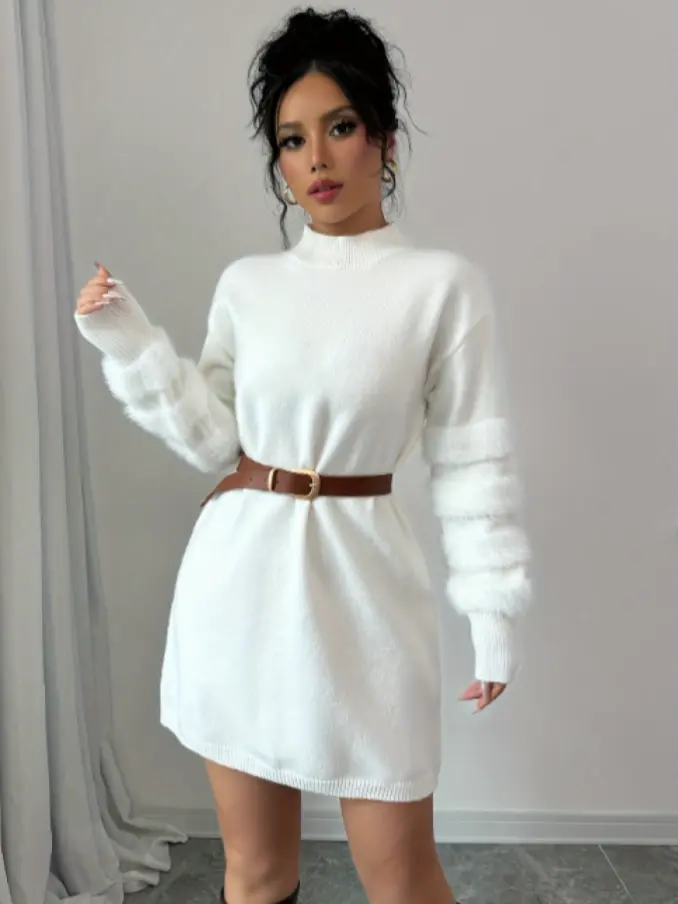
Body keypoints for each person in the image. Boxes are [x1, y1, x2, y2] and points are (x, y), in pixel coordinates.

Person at [74, 8, 531, 904]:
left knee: (401, 875)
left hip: (365, 595)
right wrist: (130, 342)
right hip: (239, 589)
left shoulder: (443, 288)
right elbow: (214, 440)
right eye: (291, 139)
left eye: (340, 127)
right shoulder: (249, 286)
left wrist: (494, 617)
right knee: (255, 871)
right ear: (278, 161)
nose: (316, 158)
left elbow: (475, 465)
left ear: (384, 140)